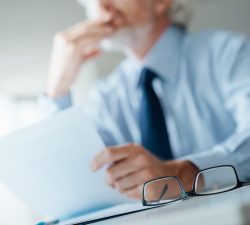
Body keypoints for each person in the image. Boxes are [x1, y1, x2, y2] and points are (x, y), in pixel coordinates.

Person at [41, 0, 250, 200]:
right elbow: (71, 182)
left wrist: (184, 174)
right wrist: (58, 88)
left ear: (161, 1)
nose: (100, 4)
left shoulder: (228, 53)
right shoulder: (106, 98)